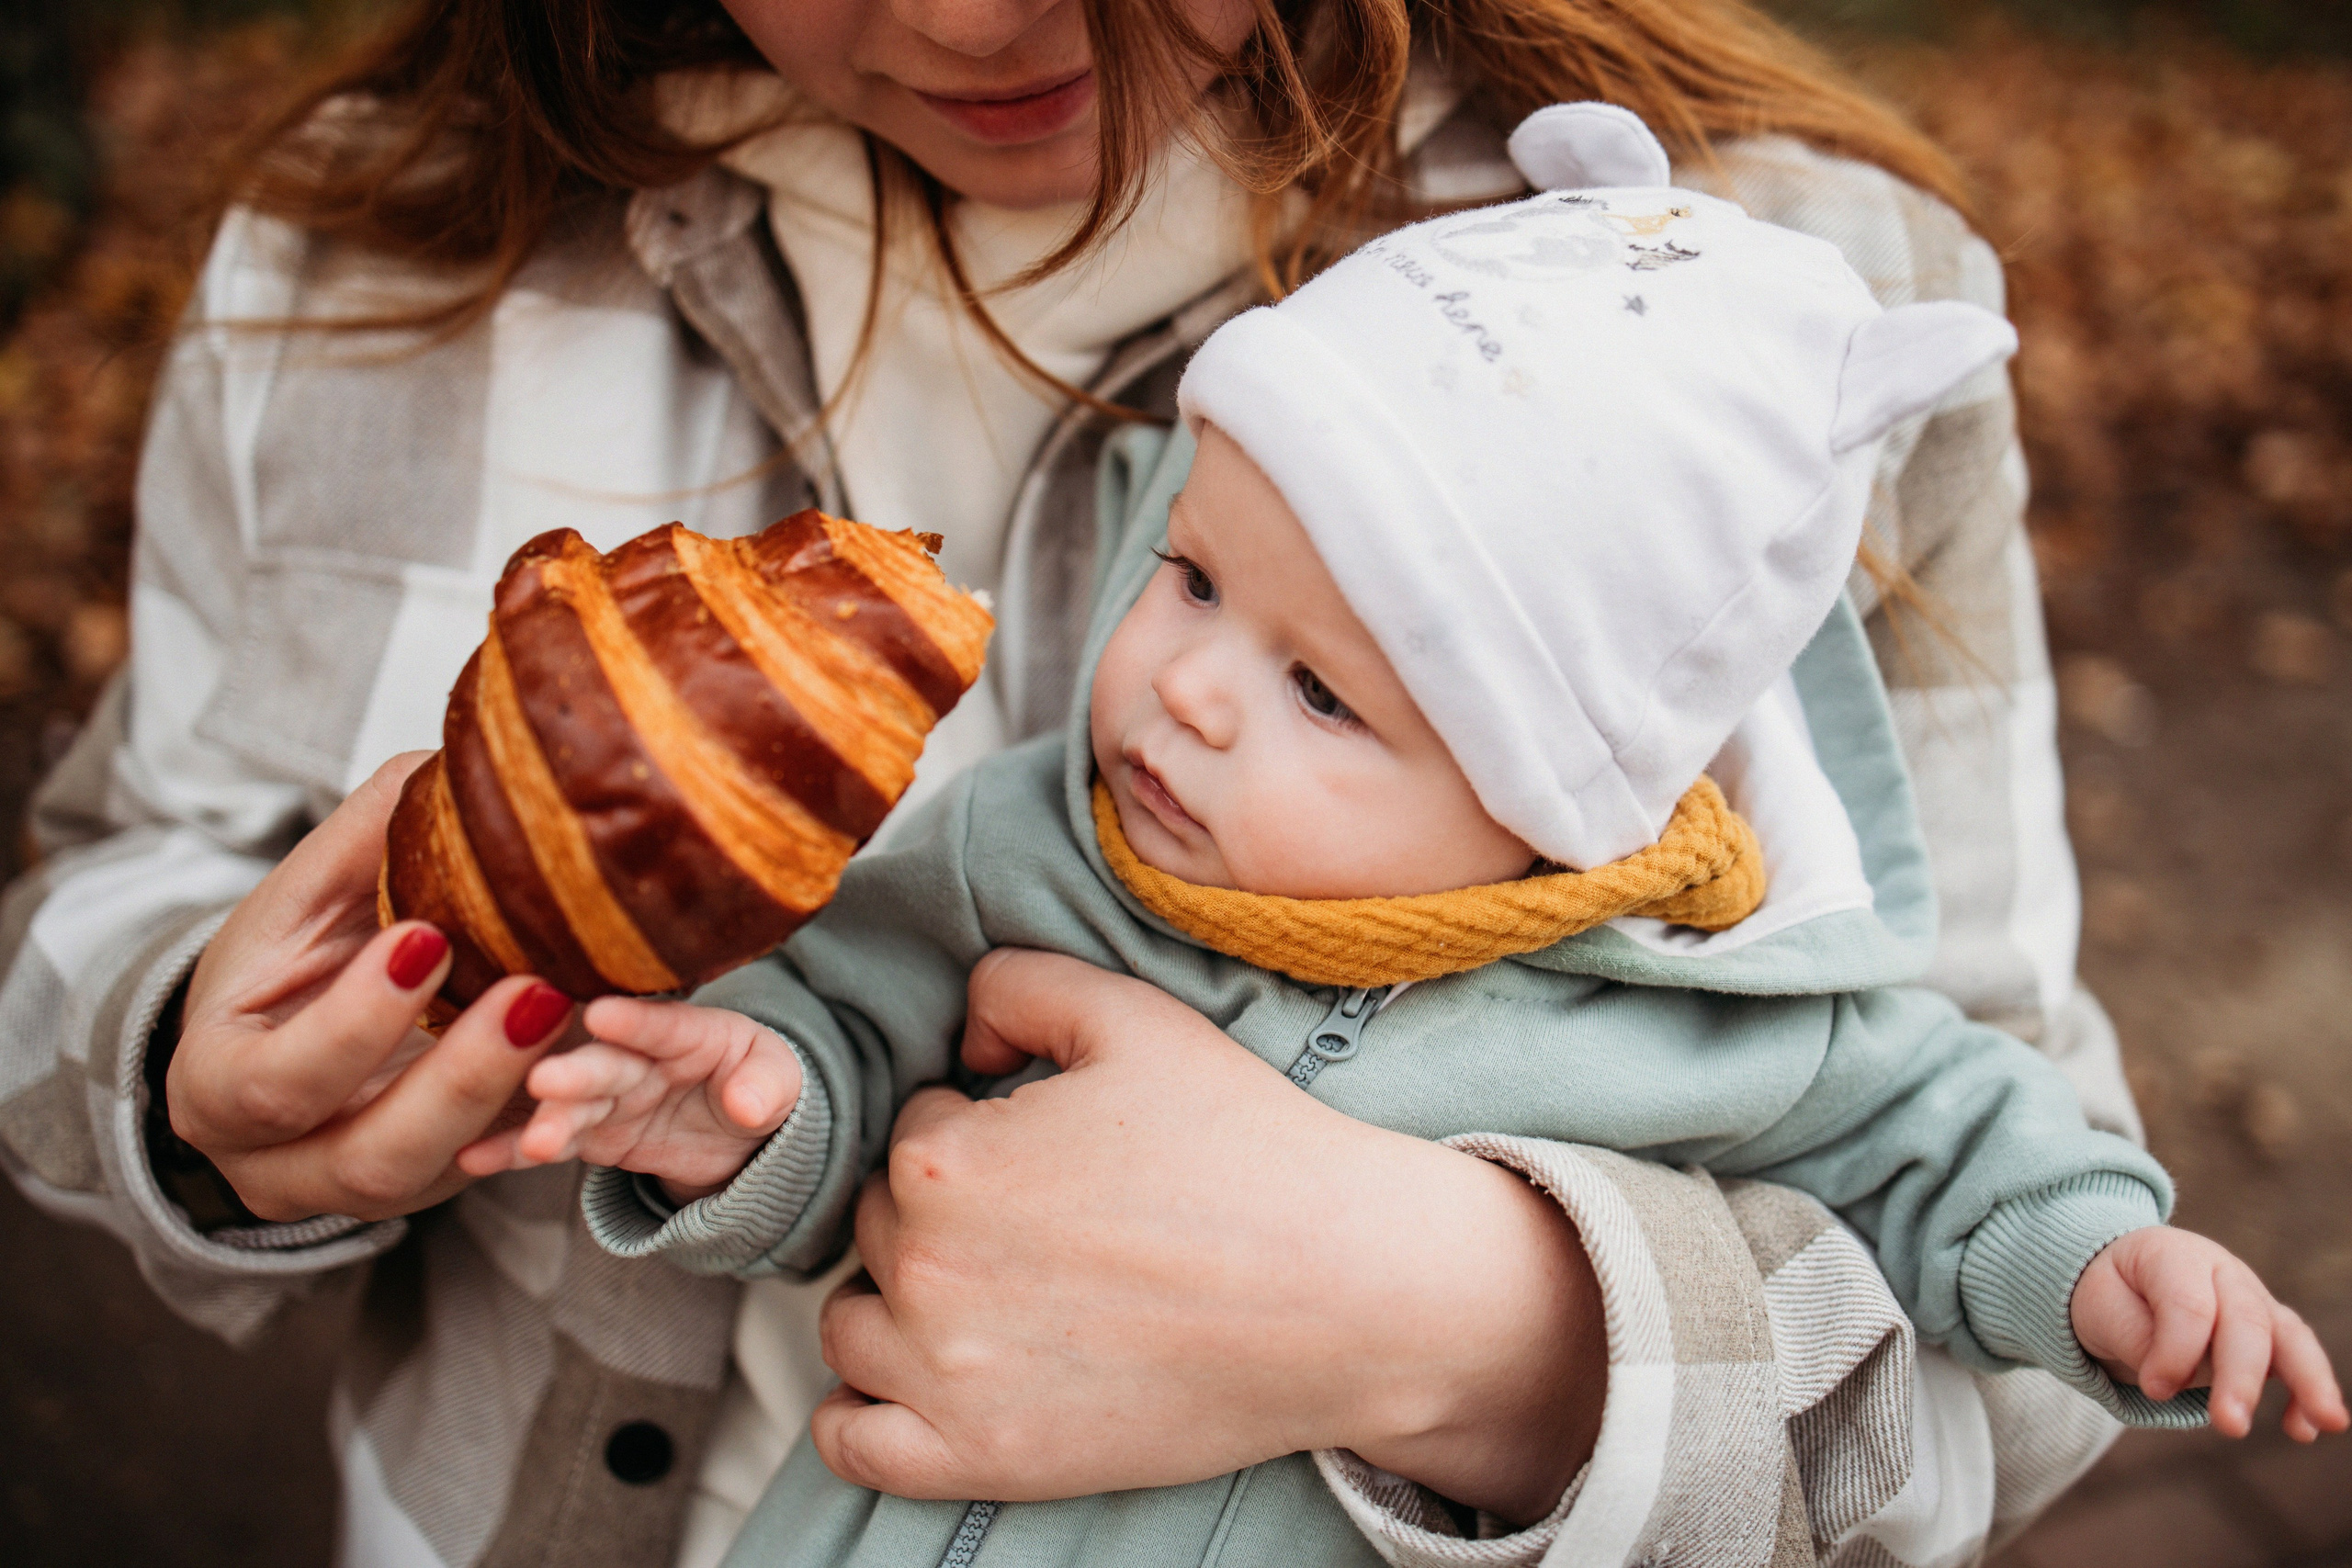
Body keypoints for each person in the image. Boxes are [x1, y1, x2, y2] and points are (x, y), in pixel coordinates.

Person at [0, 1, 2152, 1564]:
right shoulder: (358, 259)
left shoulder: (1767, 335)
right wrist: (193, 1074)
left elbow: (2022, 1340)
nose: (963, 14)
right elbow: (110, 902)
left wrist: (1476, 1334)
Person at [493, 112, 2345, 1565]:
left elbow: (1957, 1147)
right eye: (1193, 576)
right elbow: (845, 1013)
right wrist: (754, 1099)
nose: (1189, 689)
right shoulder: (1039, 852)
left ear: (1546, 798)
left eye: (1323, 693)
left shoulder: (1737, 1018)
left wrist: (2098, 1262)